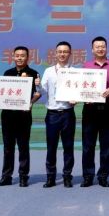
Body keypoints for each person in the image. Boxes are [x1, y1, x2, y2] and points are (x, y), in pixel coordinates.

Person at [0, 46, 41, 187]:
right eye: (17, 55)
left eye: (22, 55)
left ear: (28, 57)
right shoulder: (8, 73)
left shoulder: (34, 73)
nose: (19, 58)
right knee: (8, 147)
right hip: (7, 116)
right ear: (13, 57)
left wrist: (31, 102)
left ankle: (24, 176)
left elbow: (38, 93)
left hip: (24, 116)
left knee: (23, 147)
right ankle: (6, 176)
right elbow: (1, 91)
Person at [81, 36, 109, 187]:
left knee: (106, 145)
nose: (100, 49)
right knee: (88, 145)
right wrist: (83, 97)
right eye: (97, 47)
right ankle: (88, 176)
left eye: (103, 46)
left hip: (108, 109)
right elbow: (81, 86)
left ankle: (103, 176)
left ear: (106, 48)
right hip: (90, 109)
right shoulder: (86, 66)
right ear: (92, 49)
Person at [39, 41, 77, 188]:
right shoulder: (48, 71)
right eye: (60, 52)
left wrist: (76, 99)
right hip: (52, 114)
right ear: (55, 54)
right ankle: (51, 177)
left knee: (68, 147)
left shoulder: (74, 71)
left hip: (68, 113)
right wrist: (37, 84)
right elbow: (42, 90)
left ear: (70, 54)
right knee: (51, 147)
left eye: (65, 52)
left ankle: (67, 176)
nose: (62, 54)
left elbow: (78, 91)